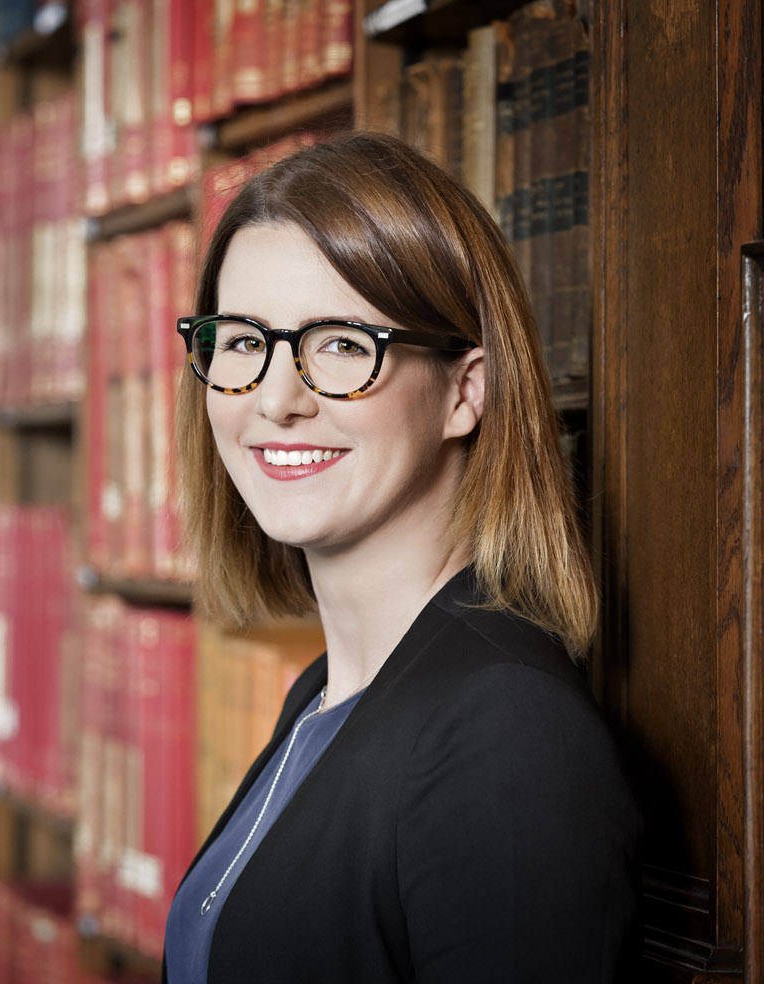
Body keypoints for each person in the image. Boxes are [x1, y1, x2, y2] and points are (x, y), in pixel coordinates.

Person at [162, 132, 640, 983]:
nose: (277, 400)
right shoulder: (326, 694)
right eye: (242, 342)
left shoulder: (507, 734)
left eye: (342, 345)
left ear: (467, 390)